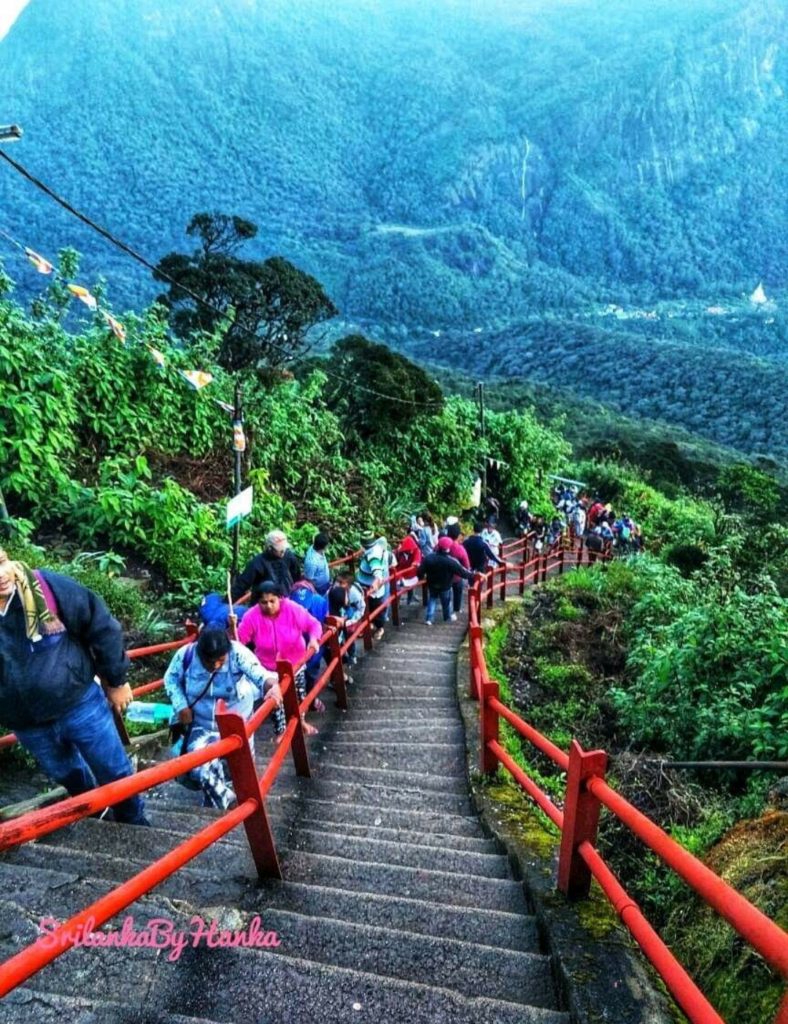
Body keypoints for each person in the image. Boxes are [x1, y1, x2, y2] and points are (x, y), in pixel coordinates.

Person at [0, 548, 149, 825]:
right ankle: (95, 812)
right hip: (28, 724)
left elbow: (100, 623)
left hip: (80, 704)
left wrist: (116, 680)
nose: (2, 574)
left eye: (2, 562)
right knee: (69, 775)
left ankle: (134, 823)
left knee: (114, 770)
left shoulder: (45, 588)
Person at [163, 628, 281, 808]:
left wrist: (271, 686)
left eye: (220, 660)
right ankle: (229, 802)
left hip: (237, 722)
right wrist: (181, 705)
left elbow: (259, 673)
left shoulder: (237, 653)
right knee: (200, 768)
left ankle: (216, 805)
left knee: (239, 771)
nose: (216, 665)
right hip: (201, 724)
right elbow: (170, 679)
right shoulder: (185, 655)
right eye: (209, 662)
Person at [237, 581, 322, 737]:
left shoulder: (291, 609)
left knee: (298, 697)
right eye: (263, 602)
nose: (268, 606)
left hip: (295, 664)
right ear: (258, 602)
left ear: (280, 598)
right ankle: (281, 733)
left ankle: (301, 722)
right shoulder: (252, 616)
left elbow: (314, 624)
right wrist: (232, 629)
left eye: (272, 601)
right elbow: (239, 641)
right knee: (275, 702)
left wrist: (313, 639)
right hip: (268, 668)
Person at [417, 537, 478, 625]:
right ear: (448, 549)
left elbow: (420, 570)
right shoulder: (451, 561)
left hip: (432, 583)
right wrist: (473, 574)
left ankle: (429, 618)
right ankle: (447, 617)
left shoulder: (429, 558)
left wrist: (421, 577)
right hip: (445, 585)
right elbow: (463, 572)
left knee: (432, 599)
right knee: (446, 602)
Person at [289, 578, 329, 712]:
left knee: (296, 679)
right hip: (312, 649)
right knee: (310, 676)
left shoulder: (286, 603)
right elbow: (324, 622)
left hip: (294, 651)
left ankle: (300, 706)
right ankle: (309, 701)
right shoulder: (320, 601)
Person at [231, 530, 302, 602]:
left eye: (284, 549)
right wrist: (228, 602)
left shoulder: (289, 557)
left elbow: (297, 578)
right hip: (263, 604)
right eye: (280, 550)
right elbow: (242, 584)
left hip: (286, 602)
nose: (283, 551)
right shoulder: (258, 562)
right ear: (270, 548)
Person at [355, 532, 390, 642]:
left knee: (376, 610)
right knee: (366, 607)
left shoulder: (373, 556)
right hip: (365, 587)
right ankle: (368, 626)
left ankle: (379, 628)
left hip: (372, 591)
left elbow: (378, 573)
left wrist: (374, 586)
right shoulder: (376, 547)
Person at [445, 523, 471, 615]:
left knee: (446, 593)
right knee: (458, 591)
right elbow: (466, 564)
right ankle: (456, 609)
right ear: (458, 535)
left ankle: (447, 610)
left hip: (444, 575)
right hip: (457, 576)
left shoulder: (441, 544)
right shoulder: (460, 548)